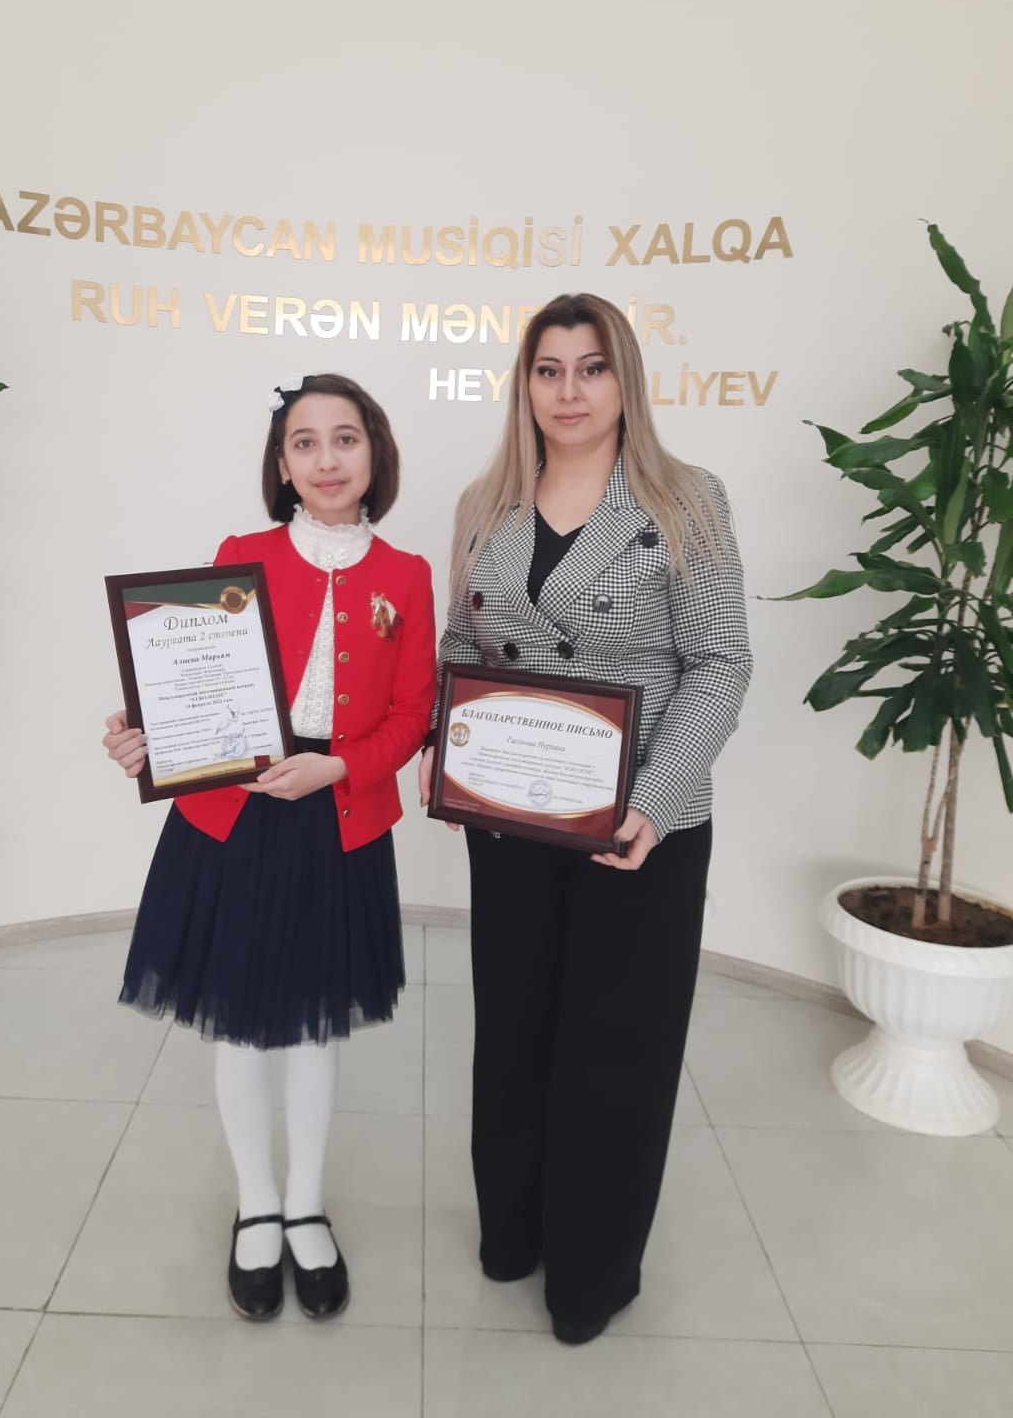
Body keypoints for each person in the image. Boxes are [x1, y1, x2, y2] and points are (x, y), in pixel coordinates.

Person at [418, 293, 752, 1346]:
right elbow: (460, 648)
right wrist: (445, 752)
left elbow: (720, 664)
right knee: (514, 1027)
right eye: (549, 369)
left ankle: (590, 1276)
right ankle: (512, 1234)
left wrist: (653, 800)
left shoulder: (687, 499)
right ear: (525, 384)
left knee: (616, 1047)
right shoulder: (484, 502)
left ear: (625, 380)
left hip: (641, 826)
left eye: (592, 368)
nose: (569, 391)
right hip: (513, 818)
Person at [104, 373, 435, 1323]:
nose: (327, 460)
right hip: (237, 817)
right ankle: (256, 1204)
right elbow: (196, 680)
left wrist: (340, 768)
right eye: (305, 443)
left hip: (338, 816)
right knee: (243, 1021)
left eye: (345, 439)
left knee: (317, 1025)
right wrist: (144, 732)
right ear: (282, 465)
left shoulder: (408, 574)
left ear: (375, 453)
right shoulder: (239, 555)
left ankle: (305, 1205)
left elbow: (413, 713)